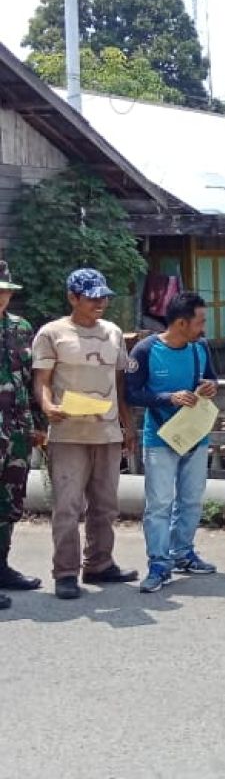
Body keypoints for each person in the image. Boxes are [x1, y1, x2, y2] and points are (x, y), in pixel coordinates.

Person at [32, 268, 138, 600]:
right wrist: (48, 406)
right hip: (68, 432)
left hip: (106, 431)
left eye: (103, 297)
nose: (100, 303)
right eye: (92, 298)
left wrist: (128, 424)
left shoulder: (114, 332)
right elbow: (42, 380)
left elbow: (118, 382)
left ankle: (100, 563)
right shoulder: (52, 333)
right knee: (68, 505)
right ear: (72, 298)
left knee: (106, 504)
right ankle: (65, 572)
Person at [125, 292, 220, 593]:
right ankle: (158, 563)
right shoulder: (145, 350)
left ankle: (184, 553)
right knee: (160, 504)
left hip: (196, 434)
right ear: (181, 323)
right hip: (159, 438)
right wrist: (167, 398)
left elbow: (211, 379)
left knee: (191, 500)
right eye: (200, 321)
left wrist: (209, 386)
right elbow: (131, 393)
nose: (204, 327)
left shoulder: (200, 347)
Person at [0, 261, 47, 610]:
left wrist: (36, 423)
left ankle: (1, 567)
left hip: (15, 430)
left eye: (5, 292)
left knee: (11, 501)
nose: (2, 297)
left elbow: (29, 380)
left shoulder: (19, 328)